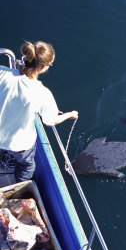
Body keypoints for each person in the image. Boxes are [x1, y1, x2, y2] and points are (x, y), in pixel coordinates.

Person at [0, 40, 78, 182]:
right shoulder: (42, 93)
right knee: (26, 166)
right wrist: (70, 114)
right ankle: (20, 190)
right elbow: (50, 121)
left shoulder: (2, 73)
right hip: (20, 144)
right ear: (43, 67)